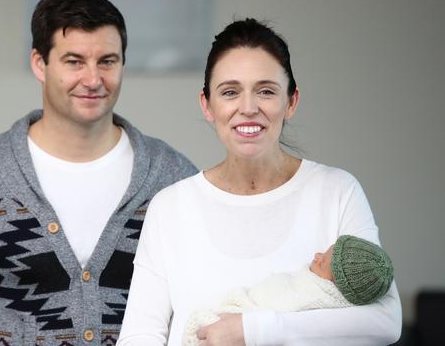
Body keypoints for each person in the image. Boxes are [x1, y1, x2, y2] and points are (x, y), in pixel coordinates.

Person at [0, 0, 197, 346]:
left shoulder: (173, 178)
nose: (93, 79)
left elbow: (197, 313)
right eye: (74, 61)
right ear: (40, 63)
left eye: (107, 61)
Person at [117, 18, 402, 346]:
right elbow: (139, 336)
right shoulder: (170, 206)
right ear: (207, 105)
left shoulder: (338, 192)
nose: (248, 108)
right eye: (230, 92)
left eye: (266, 91)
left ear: (291, 102)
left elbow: (385, 321)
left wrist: (252, 330)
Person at [182, 235, 395, 346]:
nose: (317, 255)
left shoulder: (314, 297)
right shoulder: (317, 278)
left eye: (322, 263)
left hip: (240, 319)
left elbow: (282, 304)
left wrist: (248, 323)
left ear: (335, 286)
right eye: (325, 251)